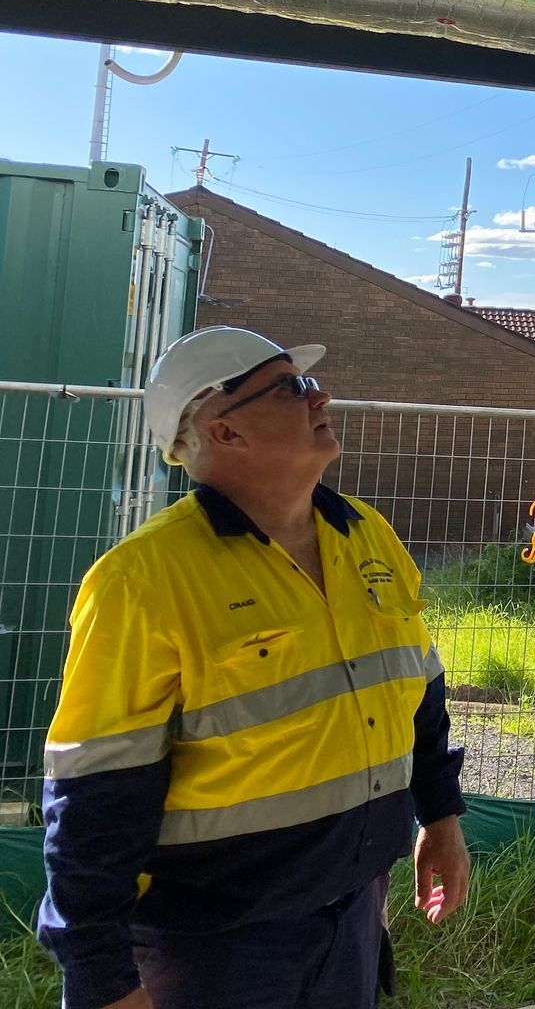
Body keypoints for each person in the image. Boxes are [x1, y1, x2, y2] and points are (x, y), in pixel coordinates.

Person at [37, 327, 470, 1009]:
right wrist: (101, 980)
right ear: (224, 429)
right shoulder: (141, 582)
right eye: (291, 386)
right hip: (214, 949)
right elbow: (94, 797)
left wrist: (440, 818)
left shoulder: (368, 536)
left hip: (354, 913)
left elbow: (419, 688)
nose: (320, 394)